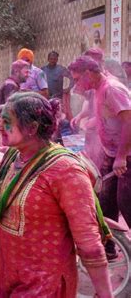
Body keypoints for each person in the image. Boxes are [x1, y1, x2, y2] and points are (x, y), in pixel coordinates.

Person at [0, 92, 112, 297]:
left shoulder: (65, 171)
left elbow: (88, 243)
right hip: (7, 272)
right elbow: (10, 198)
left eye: (6, 123)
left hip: (43, 281)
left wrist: (105, 293)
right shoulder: (15, 156)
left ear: (32, 128)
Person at [69, 56, 131, 259]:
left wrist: (121, 156)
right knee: (105, 200)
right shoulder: (98, 90)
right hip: (111, 153)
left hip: (126, 155)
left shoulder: (112, 88)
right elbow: (106, 118)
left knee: (126, 203)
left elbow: (129, 121)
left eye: (77, 79)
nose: (76, 84)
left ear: (89, 73)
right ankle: (110, 248)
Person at [41, 51, 74, 119]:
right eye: (51, 59)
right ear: (48, 59)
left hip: (58, 98)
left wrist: (68, 88)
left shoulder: (61, 69)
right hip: (46, 98)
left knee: (58, 117)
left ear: (57, 59)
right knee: (47, 117)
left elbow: (72, 77)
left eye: (54, 59)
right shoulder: (43, 70)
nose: (53, 60)